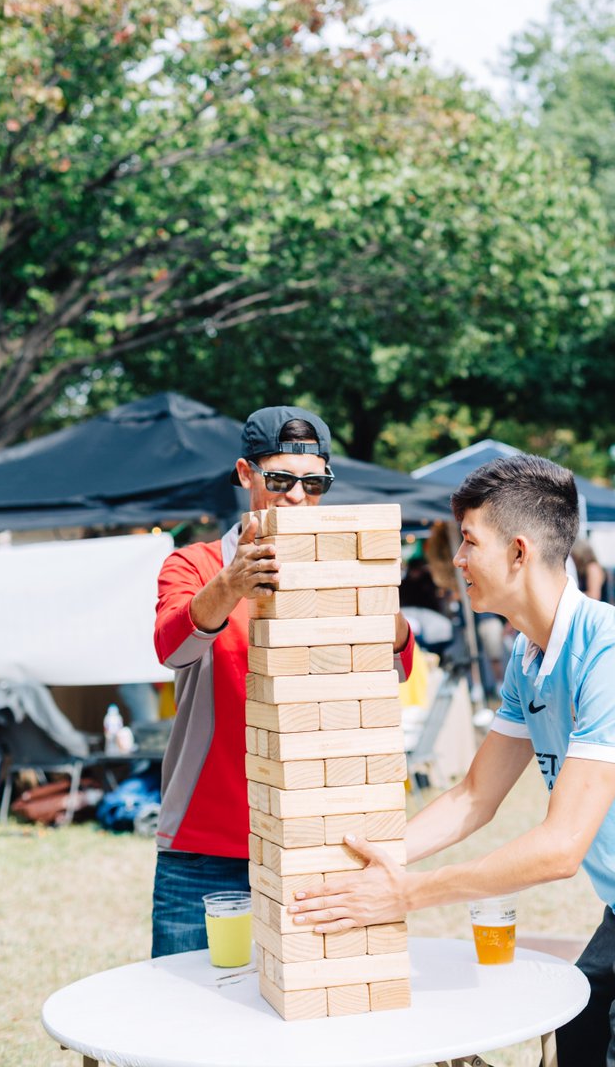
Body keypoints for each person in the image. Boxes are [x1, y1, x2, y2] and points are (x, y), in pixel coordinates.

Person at [289, 454, 615, 1067]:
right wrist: (381, 857)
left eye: (468, 541)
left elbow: (559, 849)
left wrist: (406, 894)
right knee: (568, 1051)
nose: (457, 559)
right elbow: (474, 796)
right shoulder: (528, 656)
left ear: (518, 552)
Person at [151, 405, 415, 957]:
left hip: (312, 835)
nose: (297, 497)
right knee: (188, 1002)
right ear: (245, 474)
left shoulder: (338, 569)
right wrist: (230, 586)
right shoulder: (195, 563)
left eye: (314, 484)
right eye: (280, 480)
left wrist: (371, 591)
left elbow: (395, 667)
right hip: (209, 842)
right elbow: (172, 647)